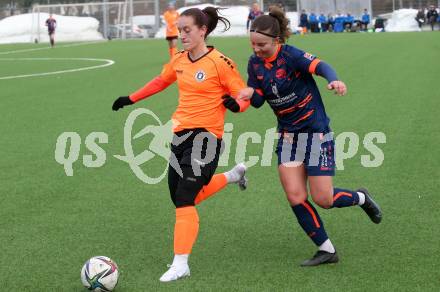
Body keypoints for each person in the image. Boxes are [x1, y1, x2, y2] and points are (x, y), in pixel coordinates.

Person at [112, 6, 254, 281]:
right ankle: (233, 175)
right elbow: (159, 81)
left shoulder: (220, 63)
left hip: (208, 139)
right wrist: (130, 99)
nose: (183, 35)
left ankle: (181, 263)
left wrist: (236, 106)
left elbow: (244, 94)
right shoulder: (179, 59)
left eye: (187, 30)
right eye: (180, 30)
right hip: (180, 138)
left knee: (185, 198)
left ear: (203, 30)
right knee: (184, 197)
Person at [243, 7, 382, 266]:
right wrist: (248, 94)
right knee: (295, 196)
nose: (256, 49)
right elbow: (260, 101)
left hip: (316, 134)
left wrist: (334, 80)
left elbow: (321, 65)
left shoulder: (292, 56)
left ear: (277, 40)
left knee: (324, 199)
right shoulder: (254, 64)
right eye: (252, 44)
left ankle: (362, 198)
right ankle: (327, 249)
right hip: (287, 138)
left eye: (261, 44)